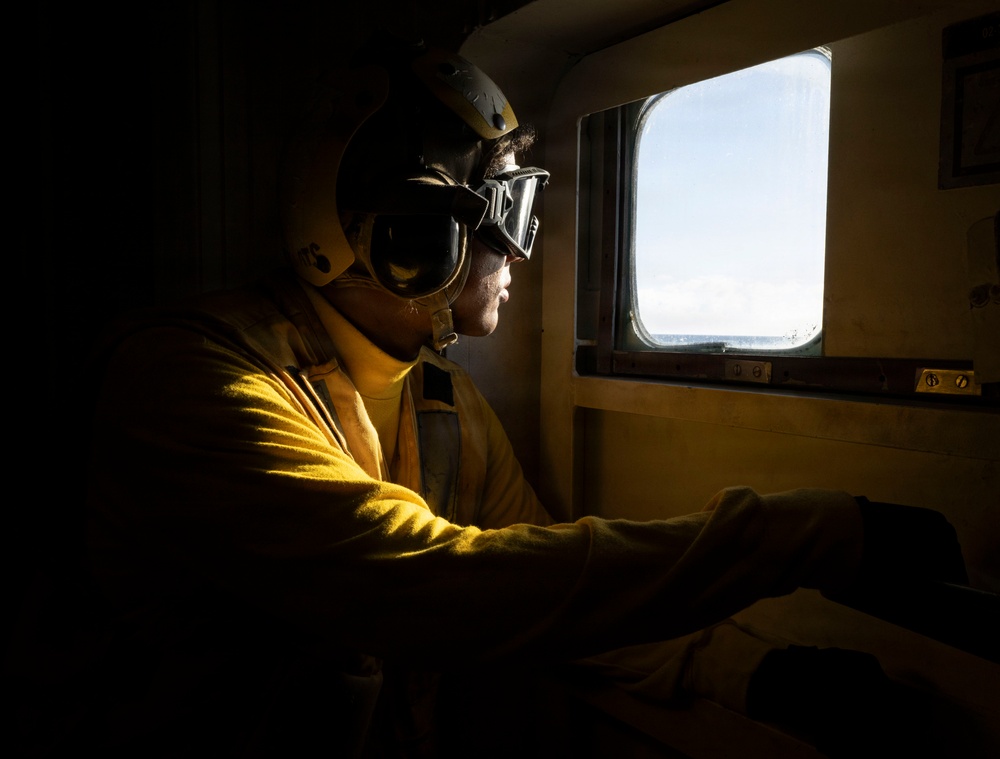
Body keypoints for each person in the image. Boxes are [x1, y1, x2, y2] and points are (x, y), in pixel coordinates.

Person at [9, 33, 967, 759]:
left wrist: (749, 670)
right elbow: (443, 590)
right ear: (411, 237)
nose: (521, 251)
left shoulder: (440, 406)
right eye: (505, 210)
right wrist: (799, 535)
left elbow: (535, 593)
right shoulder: (192, 386)